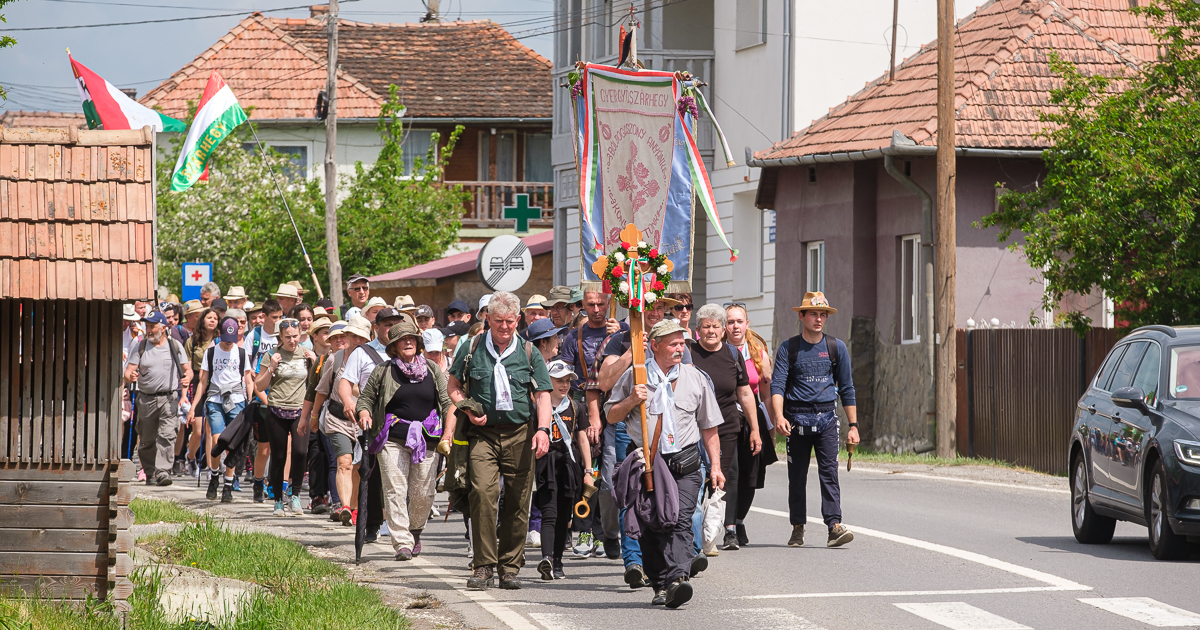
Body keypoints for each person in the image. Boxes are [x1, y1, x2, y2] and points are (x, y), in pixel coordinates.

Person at [605, 320, 725, 608]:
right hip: (647, 463)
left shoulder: (695, 377)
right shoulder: (635, 376)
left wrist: (716, 466)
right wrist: (632, 399)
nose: (679, 348)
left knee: (680, 520)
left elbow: (709, 427)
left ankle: (677, 579)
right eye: (672, 343)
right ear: (654, 345)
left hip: (685, 463)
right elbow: (611, 416)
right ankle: (660, 584)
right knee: (651, 526)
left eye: (681, 343)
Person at [444, 291, 553, 591]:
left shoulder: (529, 352)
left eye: (510, 322)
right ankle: (483, 566)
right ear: (488, 319)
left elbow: (543, 395)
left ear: (518, 320)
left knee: (518, 501)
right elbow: (453, 385)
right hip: (483, 434)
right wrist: (466, 405)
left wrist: (543, 430)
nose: (504, 327)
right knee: (481, 493)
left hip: (520, 433)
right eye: (498, 321)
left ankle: (509, 568)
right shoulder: (472, 346)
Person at [594, 295, 683, 586]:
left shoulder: (674, 341)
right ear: (637, 311)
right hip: (627, 425)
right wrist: (634, 352)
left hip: (667, 431)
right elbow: (604, 382)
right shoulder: (619, 339)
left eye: (660, 307)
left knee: (666, 494)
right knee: (626, 489)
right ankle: (633, 560)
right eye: (650, 307)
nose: (655, 312)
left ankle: (672, 556)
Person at [356, 319, 453, 561]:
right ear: (394, 347)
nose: (408, 342)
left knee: (423, 492)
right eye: (402, 340)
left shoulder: (432, 369)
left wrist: (449, 432)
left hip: (428, 438)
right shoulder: (384, 370)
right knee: (395, 490)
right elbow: (365, 399)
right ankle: (402, 543)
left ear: (418, 343)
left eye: (411, 338)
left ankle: (415, 531)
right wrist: (364, 413)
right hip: (392, 438)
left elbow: (447, 401)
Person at [771, 291, 858, 548]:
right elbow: (777, 385)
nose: (818, 319)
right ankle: (798, 527)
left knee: (829, 473)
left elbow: (847, 388)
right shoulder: (789, 348)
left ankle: (834, 526)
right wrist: (779, 417)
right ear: (802, 316)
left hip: (827, 419)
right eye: (813, 314)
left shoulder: (836, 347)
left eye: (823, 315)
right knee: (796, 475)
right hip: (796, 419)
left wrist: (853, 426)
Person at [687, 304, 760, 551]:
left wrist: (756, 429)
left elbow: (745, 393)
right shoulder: (688, 352)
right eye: (706, 327)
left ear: (723, 330)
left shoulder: (732, 354)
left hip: (726, 427)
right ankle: (694, 535)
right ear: (697, 330)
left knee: (719, 480)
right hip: (693, 428)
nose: (711, 331)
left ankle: (711, 534)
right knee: (694, 480)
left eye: (716, 326)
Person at [559, 291, 624, 557]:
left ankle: (601, 533)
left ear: (609, 304)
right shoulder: (574, 337)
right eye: (591, 305)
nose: (596, 309)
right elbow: (563, 375)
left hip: (616, 404)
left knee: (604, 473)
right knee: (584, 470)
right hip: (581, 405)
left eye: (601, 304)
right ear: (582, 307)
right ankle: (584, 531)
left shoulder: (623, 331)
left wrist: (621, 332)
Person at [338, 308, 406, 538]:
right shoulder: (363, 353)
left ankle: (402, 527)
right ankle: (374, 522)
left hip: (405, 422)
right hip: (373, 422)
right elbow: (346, 382)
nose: (393, 328)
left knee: (401, 477)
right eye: (387, 324)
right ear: (375, 328)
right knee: (373, 476)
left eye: (397, 323)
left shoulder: (409, 350)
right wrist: (349, 401)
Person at [310, 317, 372, 524]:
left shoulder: (373, 359)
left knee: (357, 467)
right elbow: (322, 390)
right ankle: (344, 505)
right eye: (351, 336)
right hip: (337, 418)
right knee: (344, 463)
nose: (355, 340)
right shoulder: (335, 359)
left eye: (360, 337)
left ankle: (354, 509)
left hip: (363, 421)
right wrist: (312, 415)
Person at [725, 302, 777, 546]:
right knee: (732, 472)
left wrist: (770, 427)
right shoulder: (719, 351)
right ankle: (730, 528)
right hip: (726, 416)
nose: (735, 326)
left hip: (753, 418)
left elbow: (766, 394)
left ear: (747, 324)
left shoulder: (758, 352)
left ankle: (740, 519)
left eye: (739, 321)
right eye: (731, 322)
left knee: (752, 474)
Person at [535, 360, 593, 580]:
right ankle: (547, 559)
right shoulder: (539, 405)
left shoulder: (576, 407)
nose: (565, 385)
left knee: (564, 516)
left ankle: (558, 561)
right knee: (549, 512)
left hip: (569, 466)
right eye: (559, 380)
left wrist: (588, 471)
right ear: (547, 381)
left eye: (568, 381)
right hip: (546, 464)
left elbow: (582, 439)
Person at [253, 317, 316, 517]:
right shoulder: (271, 354)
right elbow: (259, 386)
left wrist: (314, 364)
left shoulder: (306, 355)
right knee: (278, 456)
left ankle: (294, 494)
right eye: (287, 337)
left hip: (299, 410)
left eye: (295, 337)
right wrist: (271, 367)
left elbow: (316, 384)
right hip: (276, 410)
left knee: (300, 452)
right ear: (280, 336)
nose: (292, 341)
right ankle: (278, 500)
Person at [189, 317, 253, 503]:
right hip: (215, 400)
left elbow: (248, 379)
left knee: (231, 444)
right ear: (219, 334)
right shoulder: (211, 353)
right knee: (218, 441)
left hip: (237, 400)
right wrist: (194, 407)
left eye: (230, 340)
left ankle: (228, 483)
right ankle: (215, 475)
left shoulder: (241, 353)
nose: (227, 343)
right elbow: (202, 382)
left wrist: (250, 402)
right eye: (224, 338)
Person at [125, 312, 193, 486]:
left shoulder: (175, 345)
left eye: (152, 326)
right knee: (146, 439)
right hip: (146, 398)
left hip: (169, 397)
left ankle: (162, 471)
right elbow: (128, 372)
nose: (148, 330)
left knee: (168, 434)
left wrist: (187, 378)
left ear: (163, 328)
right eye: (147, 326)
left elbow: (188, 370)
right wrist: (130, 376)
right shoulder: (140, 346)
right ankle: (149, 472)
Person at [180, 307, 221, 475]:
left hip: (215, 381)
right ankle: (190, 456)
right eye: (209, 317)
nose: (212, 320)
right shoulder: (192, 341)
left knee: (211, 429)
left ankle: (212, 469)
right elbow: (187, 371)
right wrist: (183, 394)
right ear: (202, 320)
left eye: (215, 318)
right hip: (197, 381)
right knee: (198, 430)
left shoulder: (220, 340)